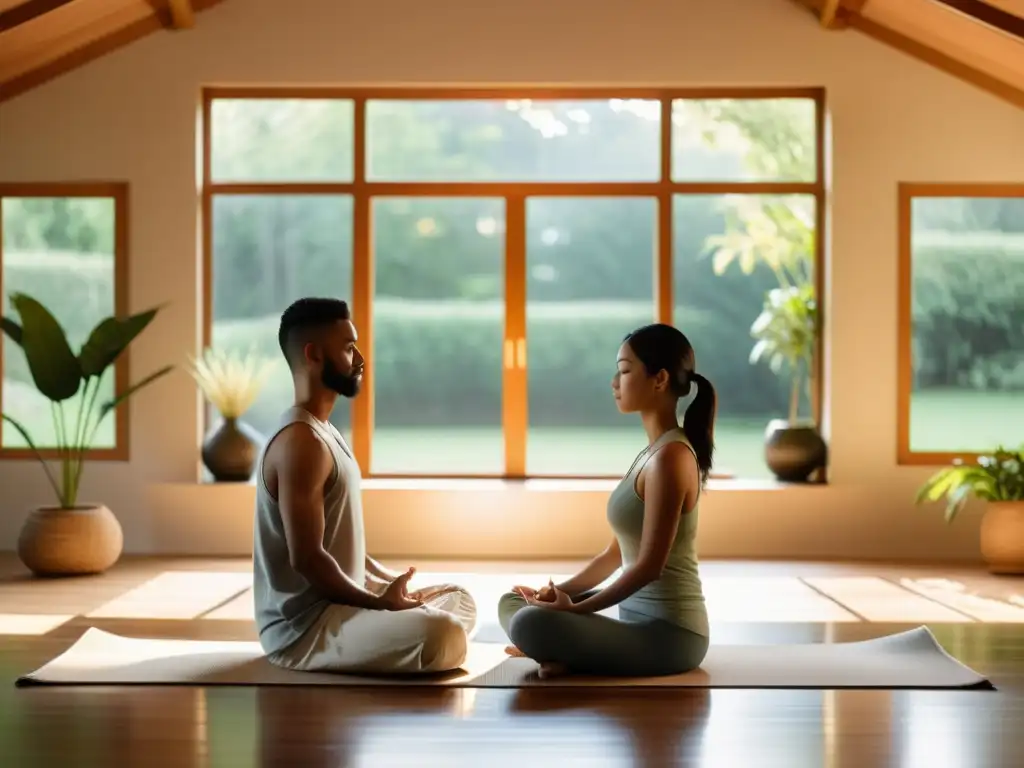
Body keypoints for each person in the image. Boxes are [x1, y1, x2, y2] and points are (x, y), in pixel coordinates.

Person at [252, 297, 476, 675]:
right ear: (314, 354)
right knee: (443, 633)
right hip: (305, 630)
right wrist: (379, 605)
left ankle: (395, 630)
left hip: (345, 607)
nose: (360, 359)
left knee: (460, 600)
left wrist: (386, 585)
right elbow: (307, 557)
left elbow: (336, 540)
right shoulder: (300, 442)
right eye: (348, 347)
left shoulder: (324, 432)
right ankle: (402, 634)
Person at [498, 323, 715, 678]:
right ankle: (561, 652)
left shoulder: (671, 458)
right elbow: (615, 554)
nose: (615, 381)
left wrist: (573, 613)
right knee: (516, 603)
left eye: (626, 370)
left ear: (659, 379)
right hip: (632, 619)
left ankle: (556, 648)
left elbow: (648, 566)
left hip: (671, 638)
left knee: (530, 624)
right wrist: (552, 594)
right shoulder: (652, 453)